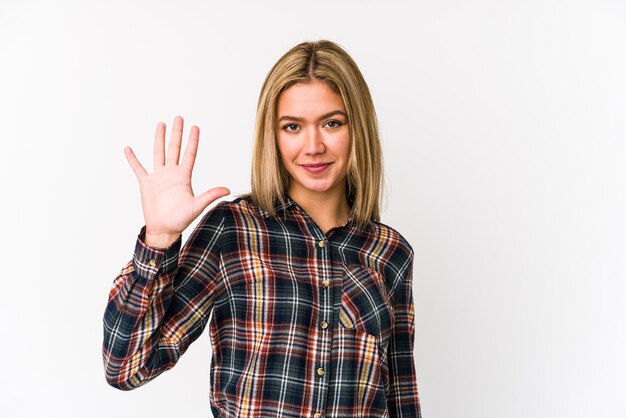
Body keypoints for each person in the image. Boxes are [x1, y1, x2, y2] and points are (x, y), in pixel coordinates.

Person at [102, 39, 422, 418]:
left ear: (359, 129)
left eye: (332, 123)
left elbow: (400, 396)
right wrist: (159, 239)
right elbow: (126, 367)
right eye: (292, 127)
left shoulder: (390, 252)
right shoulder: (232, 230)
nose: (313, 145)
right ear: (273, 135)